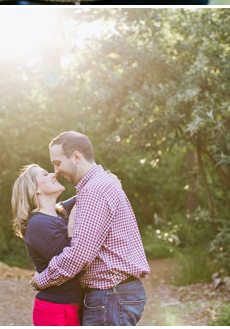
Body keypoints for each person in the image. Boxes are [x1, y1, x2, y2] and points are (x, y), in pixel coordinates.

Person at [30, 132, 149, 326]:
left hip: (110, 294)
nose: (56, 170)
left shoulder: (94, 190)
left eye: (58, 163)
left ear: (76, 157)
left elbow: (79, 255)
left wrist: (41, 280)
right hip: (115, 294)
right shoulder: (102, 184)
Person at [12, 165, 81, 326]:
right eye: (45, 174)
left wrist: (104, 179)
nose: (54, 173)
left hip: (70, 305)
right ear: (35, 189)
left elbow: (88, 192)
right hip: (58, 310)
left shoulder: (59, 212)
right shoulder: (39, 224)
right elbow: (72, 264)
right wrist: (71, 228)